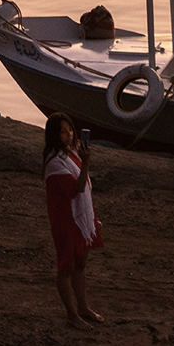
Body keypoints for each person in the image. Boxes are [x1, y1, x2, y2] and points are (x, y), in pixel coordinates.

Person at [43, 113, 105, 329]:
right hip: (66, 221)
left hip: (81, 219)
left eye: (70, 130)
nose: (68, 135)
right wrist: (86, 162)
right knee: (66, 268)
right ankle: (71, 314)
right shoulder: (54, 163)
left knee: (80, 265)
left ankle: (83, 307)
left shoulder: (71, 154)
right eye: (62, 131)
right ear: (53, 135)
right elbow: (77, 187)